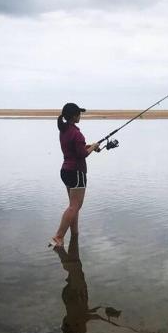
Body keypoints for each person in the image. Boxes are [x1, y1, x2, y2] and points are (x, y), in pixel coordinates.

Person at [49, 103, 100, 249]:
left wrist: (89, 146)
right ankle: (58, 236)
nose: (80, 116)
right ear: (73, 116)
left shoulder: (64, 130)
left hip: (65, 171)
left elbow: (76, 149)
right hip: (76, 172)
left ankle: (74, 233)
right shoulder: (77, 133)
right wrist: (93, 147)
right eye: (79, 113)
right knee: (74, 206)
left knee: (73, 206)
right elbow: (82, 154)